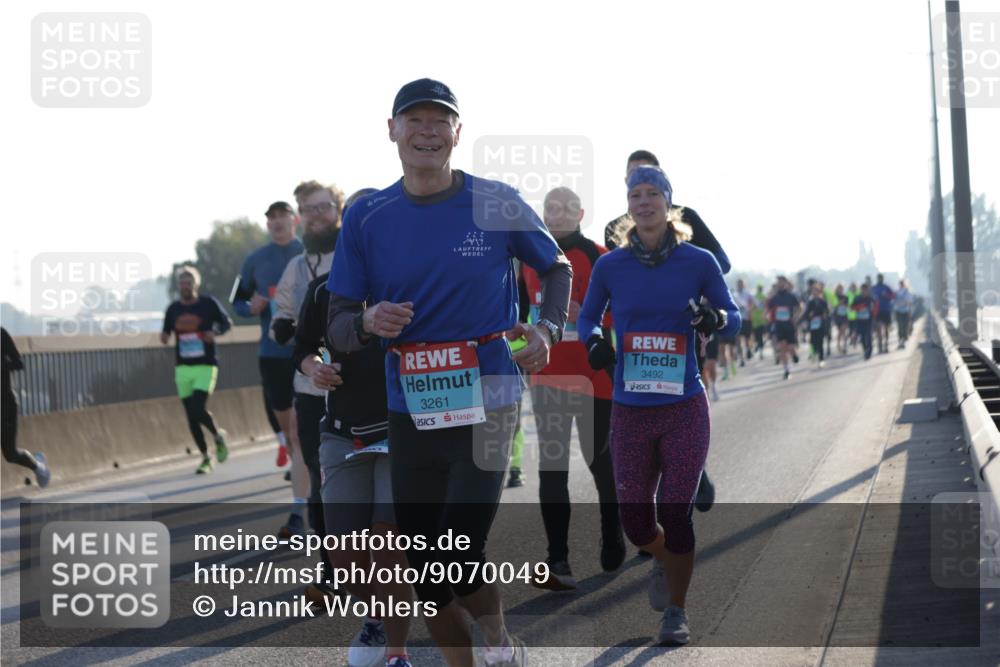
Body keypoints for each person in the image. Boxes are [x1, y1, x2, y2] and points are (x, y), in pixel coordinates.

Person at [326, 78, 572, 667]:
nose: (428, 131)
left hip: (489, 392)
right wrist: (366, 322)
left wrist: (545, 330)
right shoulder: (367, 215)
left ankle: (496, 644)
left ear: (458, 134)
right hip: (409, 403)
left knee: (457, 555)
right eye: (415, 120)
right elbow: (335, 324)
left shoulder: (497, 200)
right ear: (392, 130)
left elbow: (556, 268)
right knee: (426, 566)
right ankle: (494, 640)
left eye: (441, 121)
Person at [579, 165, 740, 646]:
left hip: (684, 404)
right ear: (628, 205)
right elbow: (588, 319)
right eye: (635, 194)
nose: (644, 201)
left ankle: (676, 610)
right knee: (636, 521)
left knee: (676, 511)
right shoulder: (611, 265)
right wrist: (593, 345)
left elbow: (732, 319)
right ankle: (668, 559)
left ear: (668, 203)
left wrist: (713, 316)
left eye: (653, 193)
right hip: (629, 409)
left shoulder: (698, 262)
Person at [296, 265, 414, 667]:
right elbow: (302, 348)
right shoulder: (322, 289)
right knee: (344, 558)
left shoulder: (407, 277)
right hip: (343, 433)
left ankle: (397, 652)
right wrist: (315, 368)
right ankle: (378, 616)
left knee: (388, 547)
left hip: (402, 431)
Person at [605, 148, 721, 521]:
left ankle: (688, 476)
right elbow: (607, 282)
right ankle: (649, 517)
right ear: (625, 185)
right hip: (633, 345)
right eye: (632, 180)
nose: (641, 188)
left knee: (679, 408)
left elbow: (721, 264)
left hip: (681, 334)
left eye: (648, 179)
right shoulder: (614, 229)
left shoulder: (687, 219)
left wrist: (688, 284)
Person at [522, 186, 624, 592]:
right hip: (548, 382)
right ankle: (557, 558)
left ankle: (613, 534)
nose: (558, 215)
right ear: (543, 213)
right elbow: (516, 314)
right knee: (552, 470)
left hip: (595, 383)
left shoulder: (600, 257)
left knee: (602, 467)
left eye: (566, 209)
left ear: (581, 212)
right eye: (551, 208)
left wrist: (592, 317)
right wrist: (522, 353)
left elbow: (624, 312)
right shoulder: (529, 259)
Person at [271, 180, 352, 604]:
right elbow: (281, 313)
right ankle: (331, 568)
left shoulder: (357, 254)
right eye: (308, 209)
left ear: (338, 210)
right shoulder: (297, 268)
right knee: (322, 482)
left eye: (323, 207)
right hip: (309, 387)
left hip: (359, 386)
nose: (315, 215)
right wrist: (283, 326)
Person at [234, 201, 308, 536]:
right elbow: (237, 301)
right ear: (267, 225)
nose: (277, 222)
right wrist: (252, 307)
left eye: (282, 217)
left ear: (294, 220)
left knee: (301, 430)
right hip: (272, 353)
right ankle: (298, 464)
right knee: (289, 431)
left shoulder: (307, 253)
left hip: (310, 350)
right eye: (271, 218)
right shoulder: (255, 261)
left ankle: (301, 506)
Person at [160, 267, 232, 474]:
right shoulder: (173, 308)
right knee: (190, 416)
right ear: (178, 285)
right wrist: (164, 338)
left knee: (197, 408)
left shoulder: (208, 304)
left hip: (206, 365)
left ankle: (218, 435)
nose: (185, 286)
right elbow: (165, 332)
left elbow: (226, 324)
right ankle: (205, 457)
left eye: (189, 282)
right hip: (183, 367)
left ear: (196, 284)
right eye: (182, 282)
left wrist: (214, 332)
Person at [1, 327, 50, 487]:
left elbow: (19, 363)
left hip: (5, 403)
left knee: (10, 454)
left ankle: (38, 466)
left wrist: (2, 364)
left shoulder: (1, 334)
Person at [767, 276, 800, 380]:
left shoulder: (791, 296)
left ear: (786, 283)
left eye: (782, 282)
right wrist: (766, 316)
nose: (780, 284)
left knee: (790, 347)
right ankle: (786, 370)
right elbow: (768, 309)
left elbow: (799, 307)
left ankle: (794, 354)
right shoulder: (774, 297)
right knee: (782, 347)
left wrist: (795, 317)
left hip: (789, 325)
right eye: (778, 282)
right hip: (779, 325)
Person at [800, 284, 830, 369]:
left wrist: (824, 316)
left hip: (821, 324)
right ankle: (813, 353)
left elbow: (827, 312)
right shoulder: (810, 302)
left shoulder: (823, 301)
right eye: (813, 292)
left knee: (820, 341)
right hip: (813, 325)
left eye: (816, 291)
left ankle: (821, 359)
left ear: (819, 292)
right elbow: (806, 313)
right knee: (812, 341)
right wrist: (802, 320)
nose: (814, 293)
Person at [871, 273, 895, 354]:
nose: (880, 279)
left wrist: (886, 295)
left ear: (883, 278)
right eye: (879, 278)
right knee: (879, 329)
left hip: (886, 310)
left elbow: (893, 296)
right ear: (877, 278)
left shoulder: (886, 287)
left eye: (881, 278)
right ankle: (880, 346)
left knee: (886, 328)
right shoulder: (874, 288)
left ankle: (886, 345)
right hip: (877, 311)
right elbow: (870, 298)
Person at [852, 283, 877, 360]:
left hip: (869, 320)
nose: (864, 291)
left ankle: (869, 351)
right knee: (862, 337)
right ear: (861, 290)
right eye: (863, 290)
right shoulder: (857, 298)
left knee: (868, 336)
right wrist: (859, 307)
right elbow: (852, 307)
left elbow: (875, 306)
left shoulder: (870, 298)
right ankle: (865, 350)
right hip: (860, 320)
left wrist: (874, 314)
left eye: (865, 290)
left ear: (867, 290)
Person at [895, 279, 914, 347]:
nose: (901, 285)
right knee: (900, 326)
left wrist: (905, 303)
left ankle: (904, 339)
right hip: (898, 311)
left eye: (902, 283)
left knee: (905, 326)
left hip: (906, 311)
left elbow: (911, 302)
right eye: (900, 283)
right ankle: (901, 340)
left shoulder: (907, 292)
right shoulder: (896, 292)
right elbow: (893, 300)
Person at [832, 284, 850, 355]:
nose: (840, 290)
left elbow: (847, 305)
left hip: (844, 316)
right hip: (837, 316)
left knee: (844, 331)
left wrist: (844, 304)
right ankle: (839, 345)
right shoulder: (835, 296)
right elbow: (833, 305)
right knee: (840, 332)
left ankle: (844, 346)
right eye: (839, 288)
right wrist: (839, 303)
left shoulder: (845, 297)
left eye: (841, 288)